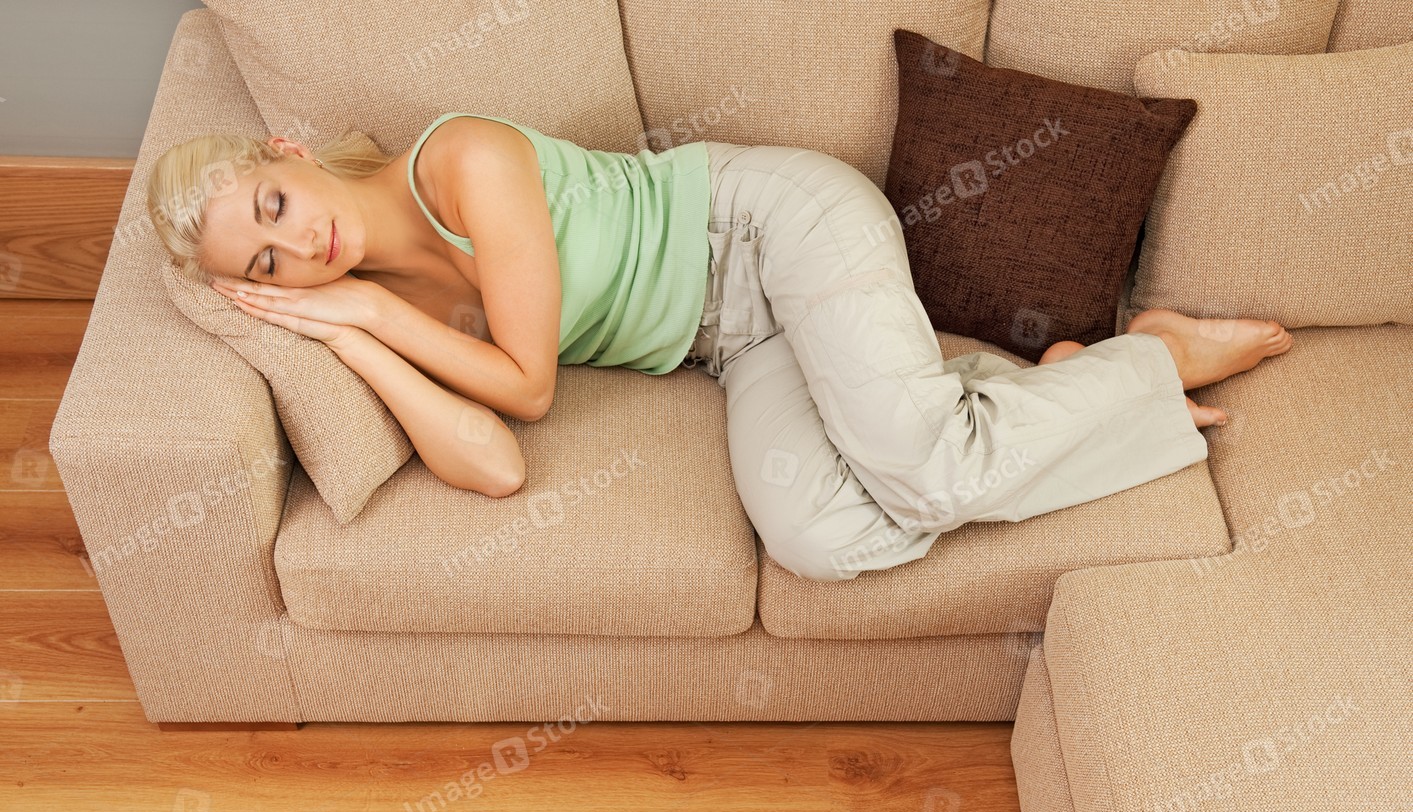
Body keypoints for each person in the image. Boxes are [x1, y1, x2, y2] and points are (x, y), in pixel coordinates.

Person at [145, 113, 1291, 580]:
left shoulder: (462, 161)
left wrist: (374, 319)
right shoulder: (371, 301)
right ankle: (1051, 391)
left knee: (928, 470)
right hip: (734, 341)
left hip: (773, 225)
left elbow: (528, 390)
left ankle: (1146, 361)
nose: (299, 251)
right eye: (267, 269)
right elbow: (494, 467)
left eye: (276, 209)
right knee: (818, 538)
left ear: (290, 154)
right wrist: (357, 336)